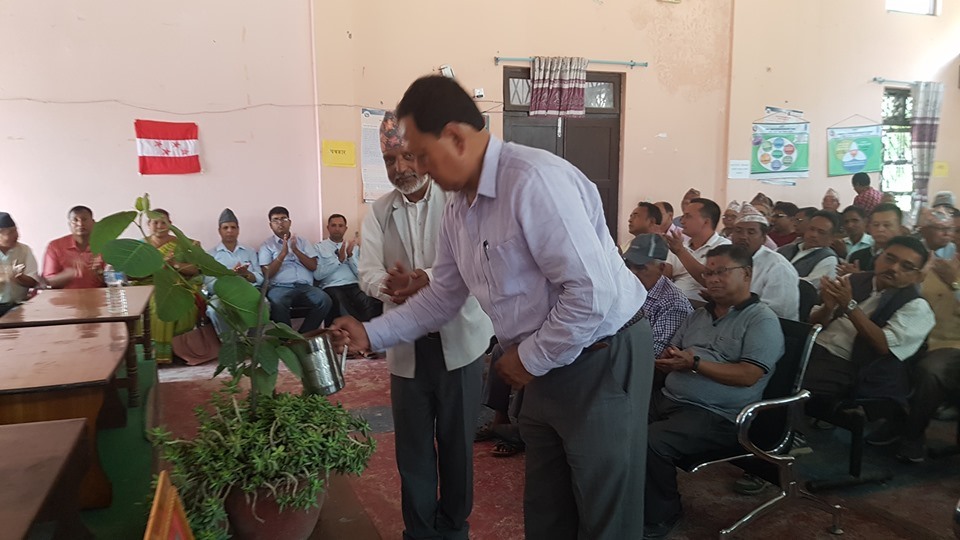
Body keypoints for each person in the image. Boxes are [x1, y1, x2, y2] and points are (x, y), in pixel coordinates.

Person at [331, 75, 651, 540]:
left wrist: (530, 358)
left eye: (421, 154)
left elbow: (591, 295)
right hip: (544, 362)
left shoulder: (534, 181)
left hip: (599, 355)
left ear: (456, 137)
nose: (417, 167)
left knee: (605, 515)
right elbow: (443, 295)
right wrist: (371, 333)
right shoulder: (459, 209)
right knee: (547, 509)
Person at [354, 110, 494, 539]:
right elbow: (367, 271)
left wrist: (425, 279)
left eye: (406, 156)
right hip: (407, 347)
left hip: (461, 342)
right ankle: (418, 531)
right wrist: (389, 287)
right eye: (388, 160)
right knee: (412, 448)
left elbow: (474, 262)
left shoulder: (457, 200)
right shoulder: (379, 212)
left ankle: (453, 527)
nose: (399, 168)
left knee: (457, 445)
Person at [645, 244, 784, 538]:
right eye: (708, 273)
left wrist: (694, 364)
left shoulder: (761, 320)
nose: (712, 279)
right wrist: (669, 360)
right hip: (670, 398)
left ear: (746, 274)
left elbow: (748, 375)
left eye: (722, 272)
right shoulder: (699, 315)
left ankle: (662, 513)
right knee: (617, 417)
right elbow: (675, 350)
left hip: (716, 415)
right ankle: (626, 494)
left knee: (651, 442)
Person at [804, 236, 935, 410]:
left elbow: (883, 346)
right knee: (772, 367)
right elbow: (812, 323)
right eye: (890, 259)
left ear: (917, 276)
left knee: (791, 383)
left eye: (906, 266)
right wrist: (827, 308)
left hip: (852, 366)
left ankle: (790, 425)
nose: (894, 268)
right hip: (813, 347)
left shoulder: (917, 307)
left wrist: (849, 306)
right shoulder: (853, 279)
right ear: (878, 257)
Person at [140, 209, 202, 363]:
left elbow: (195, 270)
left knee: (180, 304)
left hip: (178, 284)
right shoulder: (140, 246)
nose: (159, 226)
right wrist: (156, 267)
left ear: (170, 224)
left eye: (164, 222)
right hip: (148, 286)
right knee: (155, 304)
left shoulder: (185, 244)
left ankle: (178, 352)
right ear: (148, 224)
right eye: (155, 222)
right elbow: (131, 273)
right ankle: (154, 353)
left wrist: (174, 264)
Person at [258, 206, 331, 333]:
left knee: (325, 300)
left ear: (290, 222)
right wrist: (282, 255)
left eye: (283, 219)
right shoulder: (266, 245)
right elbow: (267, 273)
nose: (280, 223)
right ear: (270, 225)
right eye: (275, 220)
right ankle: (287, 338)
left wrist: (296, 251)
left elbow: (313, 266)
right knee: (277, 301)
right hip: (280, 287)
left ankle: (303, 336)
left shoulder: (302, 242)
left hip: (305, 287)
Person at [623, 234, 693, 359]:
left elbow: (653, 353)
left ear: (661, 268)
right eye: (628, 265)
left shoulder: (673, 303)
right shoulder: (624, 288)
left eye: (640, 267)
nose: (631, 273)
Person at [728, 203, 800, 320]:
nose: (743, 237)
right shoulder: (729, 259)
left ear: (763, 238)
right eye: (738, 231)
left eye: (751, 232)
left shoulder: (778, 266)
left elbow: (778, 312)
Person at [205, 208, 262, 336]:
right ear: (219, 231)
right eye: (225, 228)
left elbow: (260, 278)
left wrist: (246, 274)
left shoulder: (249, 251)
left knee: (264, 305)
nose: (229, 231)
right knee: (214, 310)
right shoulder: (211, 255)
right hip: (222, 295)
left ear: (238, 230)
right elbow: (209, 285)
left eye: (233, 227)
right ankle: (230, 341)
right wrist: (228, 275)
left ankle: (253, 341)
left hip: (248, 292)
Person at [315, 214, 382, 322]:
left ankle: (366, 330)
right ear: (328, 228)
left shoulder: (354, 247)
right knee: (341, 304)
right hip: (332, 286)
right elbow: (318, 275)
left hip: (353, 284)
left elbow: (361, 274)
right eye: (334, 225)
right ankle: (355, 329)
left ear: (345, 228)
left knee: (368, 301)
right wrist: (339, 261)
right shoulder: (319, 247)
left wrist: (350, 256)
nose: (337, 229)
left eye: (340, 226)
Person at [663, 197, 731, 301]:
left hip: (701, 306)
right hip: (672, 302)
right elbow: (664, 276)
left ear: (706, 222)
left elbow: (709, 279)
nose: (682, 221)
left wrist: (681, 252)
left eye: (688, 216)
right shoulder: (681, 244)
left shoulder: (724, 246)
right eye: (683, 216)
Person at [42, 205, 105, 289]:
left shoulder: (106, 245)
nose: (80, 224)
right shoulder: (55, 246)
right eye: (75, 220)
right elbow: (47, 283)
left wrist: (100, 273)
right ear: (69, 224)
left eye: (84, 219)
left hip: (98, 295)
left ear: (93, 223)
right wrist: (68, 274)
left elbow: (118, 281)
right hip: (64, 296)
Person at [777, 210, 839, 292]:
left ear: (831, 238)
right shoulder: (787, 248)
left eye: (821, 232)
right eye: (811, 229)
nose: (813, 235)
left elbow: (808, 286)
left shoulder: (829, 259)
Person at [0, 212, 39, 317]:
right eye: (10, 232)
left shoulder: (24, 250)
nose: (17, 235)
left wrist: (19, 277)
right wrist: (4, 277)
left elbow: (33, 282)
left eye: (16, 230)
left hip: (17, 307)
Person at [844, 203, 902, 273]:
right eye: (876, 225)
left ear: (900, 228)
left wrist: (859, 276)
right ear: (869, 227)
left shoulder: (903, 258)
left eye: (886, 225)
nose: (880, 229)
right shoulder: (856, 256)